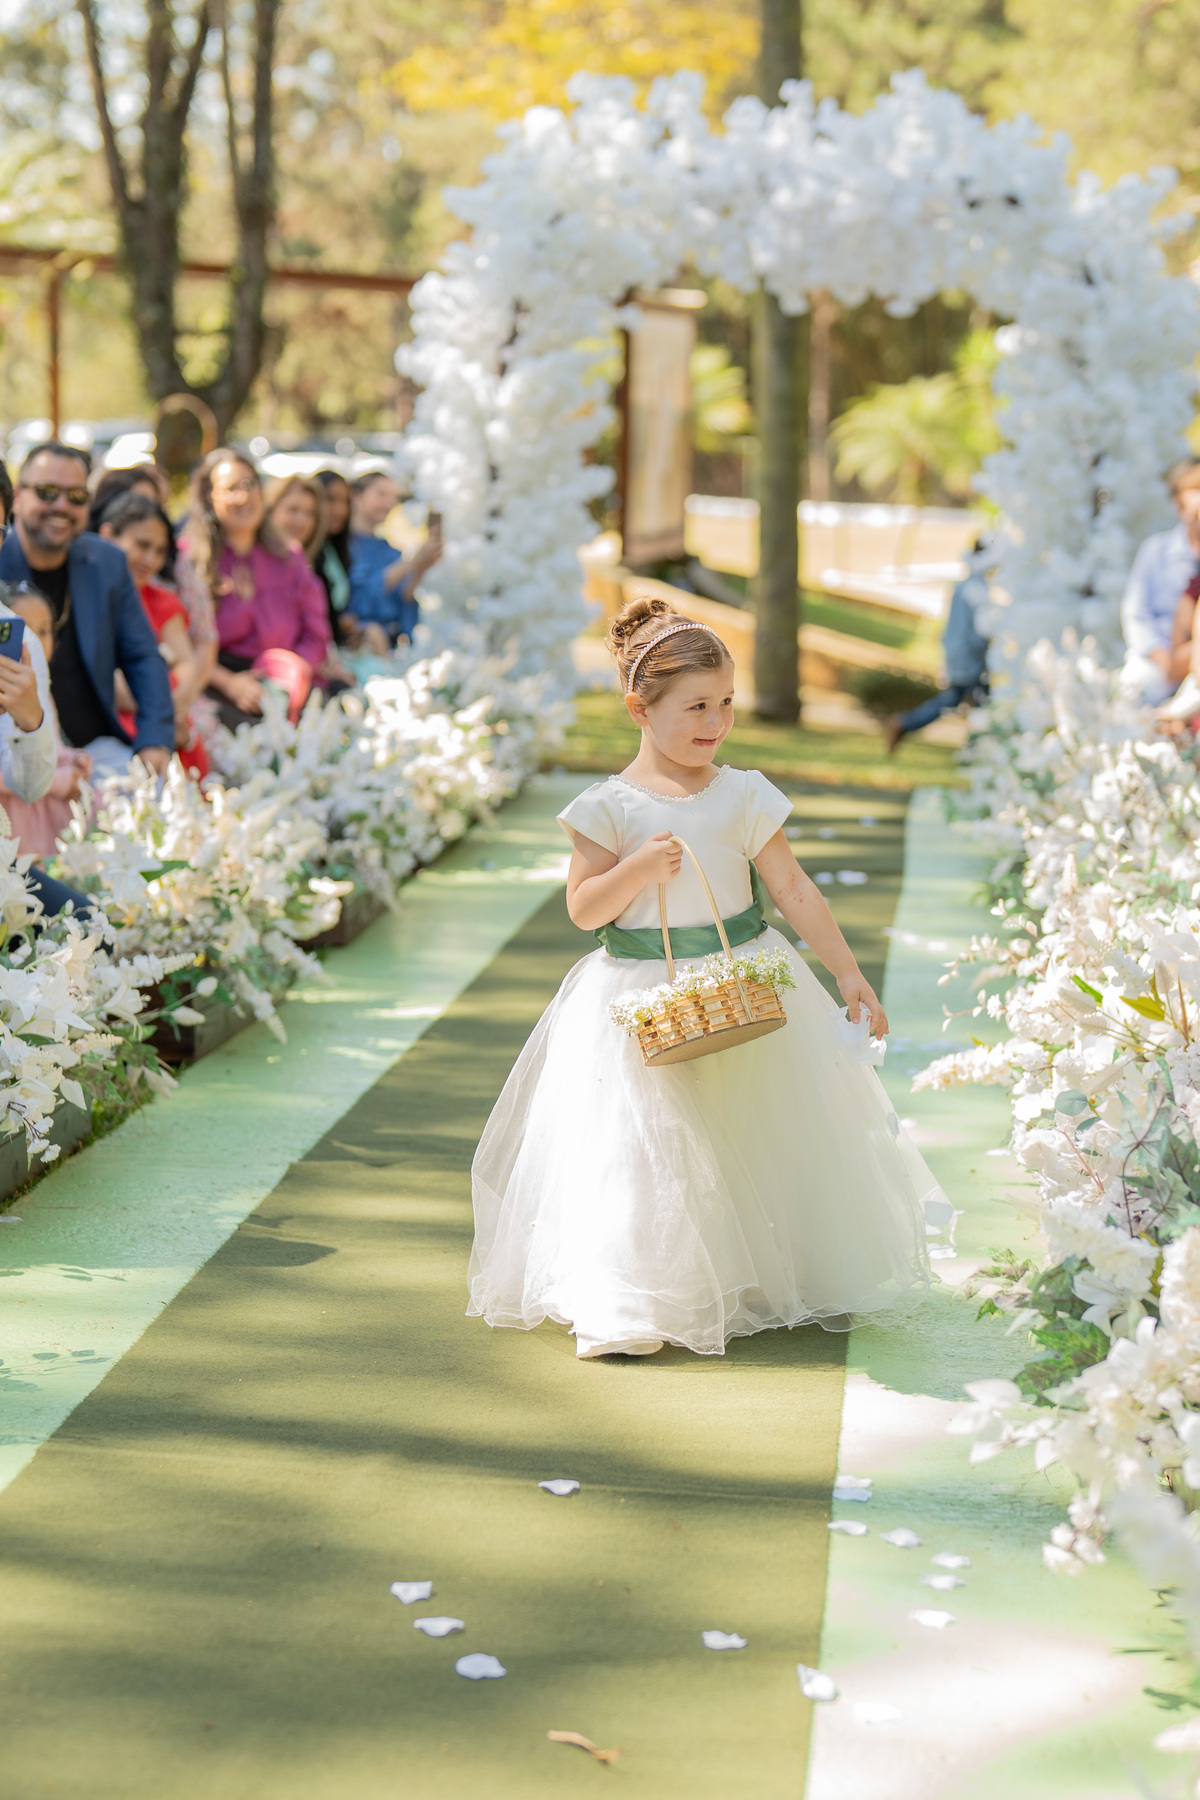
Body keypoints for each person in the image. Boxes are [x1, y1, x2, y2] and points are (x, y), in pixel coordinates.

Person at [468, 594, 939, 1359]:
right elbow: (585, 910)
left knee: (752, 1131)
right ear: (639, 709)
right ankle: (628, 1299)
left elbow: (793, 889)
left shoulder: (743, 793)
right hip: (639, 997)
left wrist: (848, 973)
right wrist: (635, 869)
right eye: (695, 706)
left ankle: (764, 1270)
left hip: (742, 981)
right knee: (640, 1146)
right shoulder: (607, 806)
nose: (715, 721)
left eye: (725, 702)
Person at [0, 442, 174, 781]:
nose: (62, 506)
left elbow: (142, 656)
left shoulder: (107, 562)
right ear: (18, 497)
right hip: (14, 754)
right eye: (47, 492)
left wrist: (155, 740)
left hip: (96, 748)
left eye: (76, 496)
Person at [183, 448, 331, 730]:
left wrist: (290, 676)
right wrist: (229, 683)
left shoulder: (289, 557)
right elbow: (181, 644)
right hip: (217, 683)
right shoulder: (190, 561)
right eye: (231, 488)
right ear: (209, 497)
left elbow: (316, 634)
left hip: (286, 681)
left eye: (249, 484)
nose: (244, 496)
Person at [98, 492, 209, 778]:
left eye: (160, 551)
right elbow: (116, 691)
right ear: (107, 536)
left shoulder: (163, 601)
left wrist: (167, 707)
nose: (151, 559)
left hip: (166, 715)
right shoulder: (88, 596)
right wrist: (155, 698)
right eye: (142, 545)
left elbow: (187, 664)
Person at [0, 586, 94, 862]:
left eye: (45, 631)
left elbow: (46, 749)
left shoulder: (30, 684)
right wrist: (62, 780)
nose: (36, 641)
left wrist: (69, 759)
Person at [885, 542, 991, 752]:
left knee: (957, 701)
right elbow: (978, 632)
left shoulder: (963, 586)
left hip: (957, 655)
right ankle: (976, 749)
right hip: (969, 658)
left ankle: (905, 723)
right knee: (978, 702)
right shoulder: (977, 590)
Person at [263, 475, 353, 696]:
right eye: (292, 510)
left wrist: (303, 665)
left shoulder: (305, 566)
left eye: (310, 513)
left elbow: (316, 635)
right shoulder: (254, 561)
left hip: (295, 675)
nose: (301, 521)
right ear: (270, 510)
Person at [1120, 459, 1200, 705]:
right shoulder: (1156, 551)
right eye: (1195, 490)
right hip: (1160, 660)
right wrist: (1165, 661)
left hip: (1194, 658)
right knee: (1137, 684)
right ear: (1177, 501)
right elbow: (1136, 614)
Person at [348, 471, 443, 654]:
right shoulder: (343, 546)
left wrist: (421, 569)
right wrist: (412, 562)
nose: (389, 503)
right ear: (356, 496)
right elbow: (360, 597)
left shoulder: (390, 550)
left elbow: (401, 603)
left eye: (393, 497)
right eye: (381, 494)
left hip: (390, 647)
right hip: (358, 644)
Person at [314, 470, 358, 647]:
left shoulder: (334, 549)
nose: (340, 510)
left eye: (345, 502)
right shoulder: (305, 555)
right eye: (331, 499)